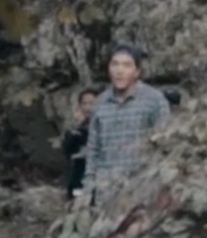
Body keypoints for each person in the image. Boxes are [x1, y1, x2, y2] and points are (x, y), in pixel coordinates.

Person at [81, 44, 172, 195]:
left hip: (141, 188)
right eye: (115, 64)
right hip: (106, 191)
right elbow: (93, 150)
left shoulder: (154, 100)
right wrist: (88, 188)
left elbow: (165, 146)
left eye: (126, 65)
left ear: (137, 72)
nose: (119, 71)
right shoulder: (100, 103)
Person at [62, 86, 99, 196]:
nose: (88, 108)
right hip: (79, 174)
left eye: (92, 103)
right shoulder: (75, 128)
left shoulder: (104, 126)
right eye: (84, 103)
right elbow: (67, 151)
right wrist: (77, 128)